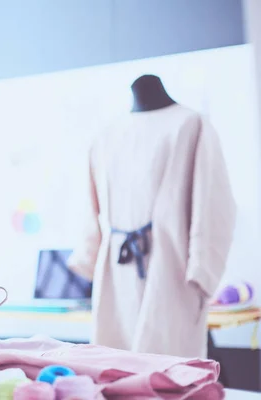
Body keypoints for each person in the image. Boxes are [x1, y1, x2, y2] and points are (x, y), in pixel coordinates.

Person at [67, 74, 236, 358]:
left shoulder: (190, 124)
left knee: (170, 367)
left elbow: (213, 202)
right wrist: (90, 258)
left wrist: (201, 271)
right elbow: (90, 206)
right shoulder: (105, 135)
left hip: (172, 269)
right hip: (116, 272)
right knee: (115, 364)